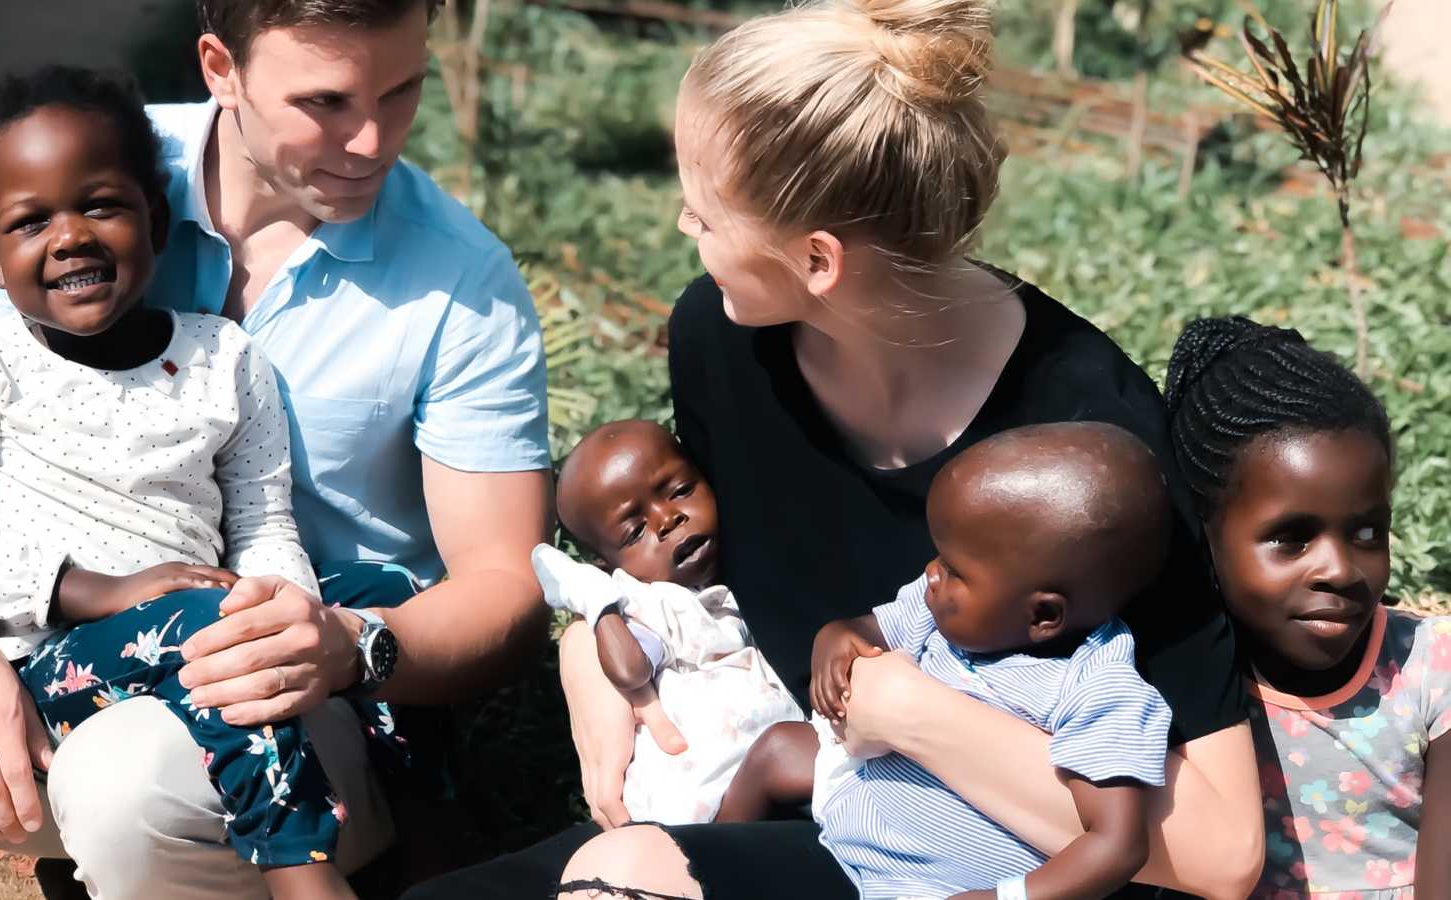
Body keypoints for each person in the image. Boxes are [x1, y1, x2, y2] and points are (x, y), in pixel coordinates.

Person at [405, 0, 1264, 897]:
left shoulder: (1089, 446)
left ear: (817, 260)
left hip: (991, 877)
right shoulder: (722, 340)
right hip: (803, 807)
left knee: (621, 874)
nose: (681, 227)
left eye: (704, 211)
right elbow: (709, 568)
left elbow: (1221, 852)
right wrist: (595, 642)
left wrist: (914, 715)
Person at [0, 1, 552, 897]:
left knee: (124, 782)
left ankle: (318, 860)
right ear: (221, 68)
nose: (373, 140)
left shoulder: (463, 282)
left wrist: (338, 642)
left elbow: (506, 587)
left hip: (318, 692)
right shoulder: (68, 166)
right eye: (326, 101)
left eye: (403, 89)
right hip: (64, 633)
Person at [0, 65, 423, 900]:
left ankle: (417, 811)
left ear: (157, 219)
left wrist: (279, 609)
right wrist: (98, 591)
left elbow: (261, 520)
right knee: (211, 631)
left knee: (371, 592)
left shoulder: (224, 356)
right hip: (55, 660)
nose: (69, 236)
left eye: (101, 204)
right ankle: (301, 870)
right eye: (30, 222)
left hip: (202, 621)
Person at [802, 422, 1173, 899]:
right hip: (847, 824)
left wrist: (1007, 897)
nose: (931, 573)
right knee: (776, 751)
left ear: (1043, 614)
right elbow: (862, 631)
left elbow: (1117, 845)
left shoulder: (1098, 689)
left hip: (933, 886)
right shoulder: (935, 610)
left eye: (954, 570)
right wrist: (833, 639)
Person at [1162, 316, 1449, 898]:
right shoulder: (1171, 682)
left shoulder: (1431, 670)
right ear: (1201, 534)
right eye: (1292, 539)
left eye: (1368, 533)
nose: (1340, 570)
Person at [534, 419, 802, 826]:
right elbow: (630, 670)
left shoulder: (741, 574)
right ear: (606, 564)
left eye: (680, 491)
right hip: (707, 798)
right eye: (635, 531)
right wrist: (601, 607)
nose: (668, 519)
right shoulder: (647, 604)